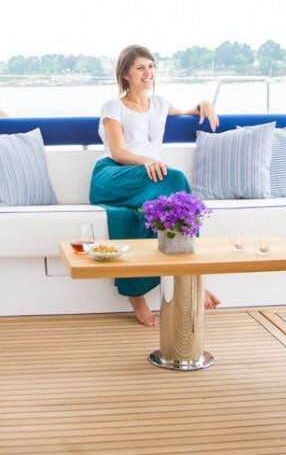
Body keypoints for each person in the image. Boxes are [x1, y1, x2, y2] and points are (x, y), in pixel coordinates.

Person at [89, 44, 222, 326]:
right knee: (175, 179)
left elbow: (188, 110)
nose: (147, 73)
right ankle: (191, 277)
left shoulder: (160, 103)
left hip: (149, 178)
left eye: (151, 66)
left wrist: (203, 104)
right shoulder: (113, 107)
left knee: (147, 213)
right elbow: (118, 152)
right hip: (113, 175)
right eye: (140, 68)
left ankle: (173, 282)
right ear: (125, 74)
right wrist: (146, 161)